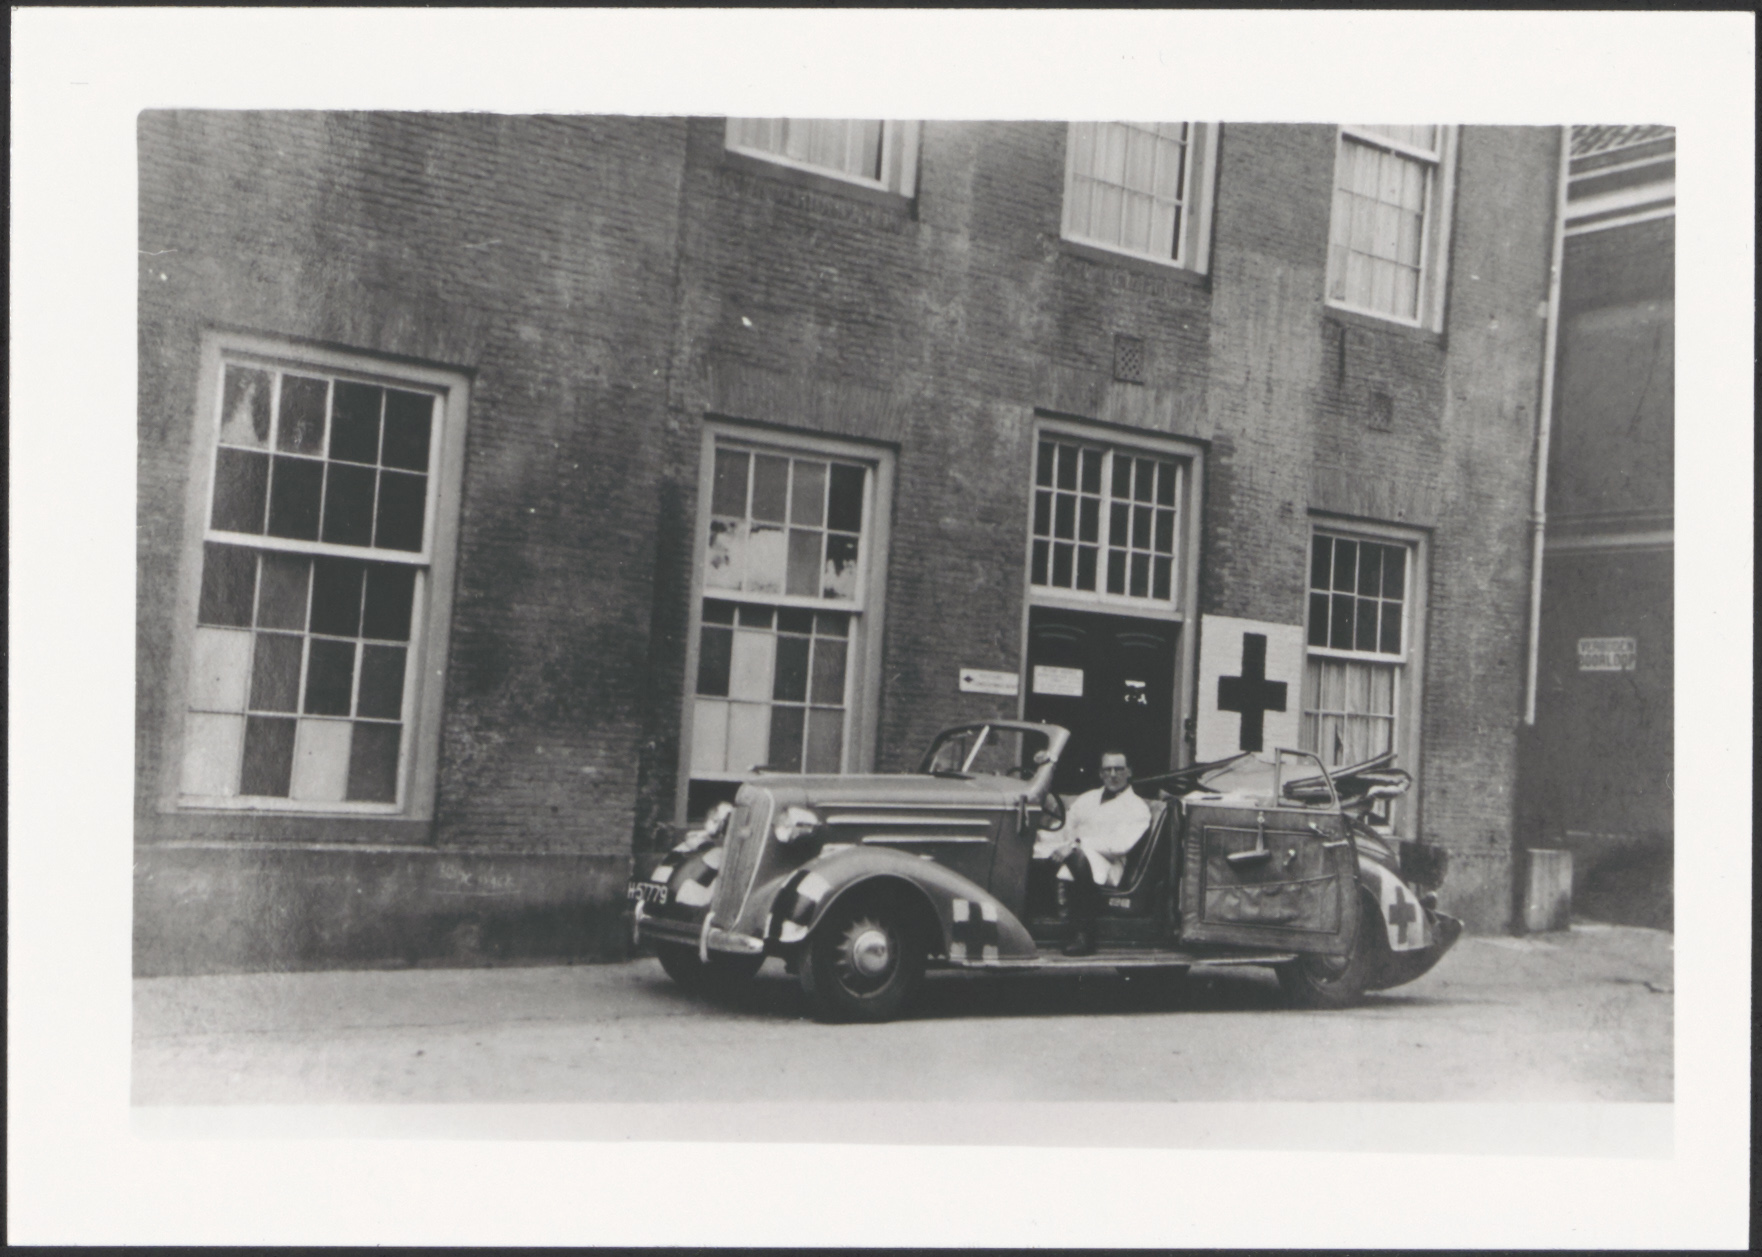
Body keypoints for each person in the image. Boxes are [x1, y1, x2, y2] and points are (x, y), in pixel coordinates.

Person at [1033, 750, 1151, 955]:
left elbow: (1120, 845)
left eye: (1119, 769)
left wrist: (1077, 844)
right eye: (1107, 769)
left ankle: (1084, 934)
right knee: (1037, 850)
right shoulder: (1088, 798)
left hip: (1109, 864)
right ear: (1100, 773)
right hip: (1075, 854)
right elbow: (1067, 828)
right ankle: (1035, 922)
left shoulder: (1137, 807)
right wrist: (1042, 839)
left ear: (1129, 772)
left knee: (1076, 857)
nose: (1113, 774)